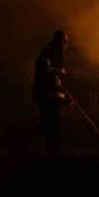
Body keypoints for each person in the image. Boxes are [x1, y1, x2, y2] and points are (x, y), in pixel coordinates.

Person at [33, 29, 72, 157]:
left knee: (52, 127)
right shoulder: (48, 53)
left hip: (51, 96)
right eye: (65, 42)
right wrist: (60, 73)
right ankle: (52, 156)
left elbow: (56, 80)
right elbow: (49, 74)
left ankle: (52, 154)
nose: (66, 45)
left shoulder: (55, 53)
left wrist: (65, 95)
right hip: (47, 97)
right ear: (59, 41)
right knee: (52, 127)